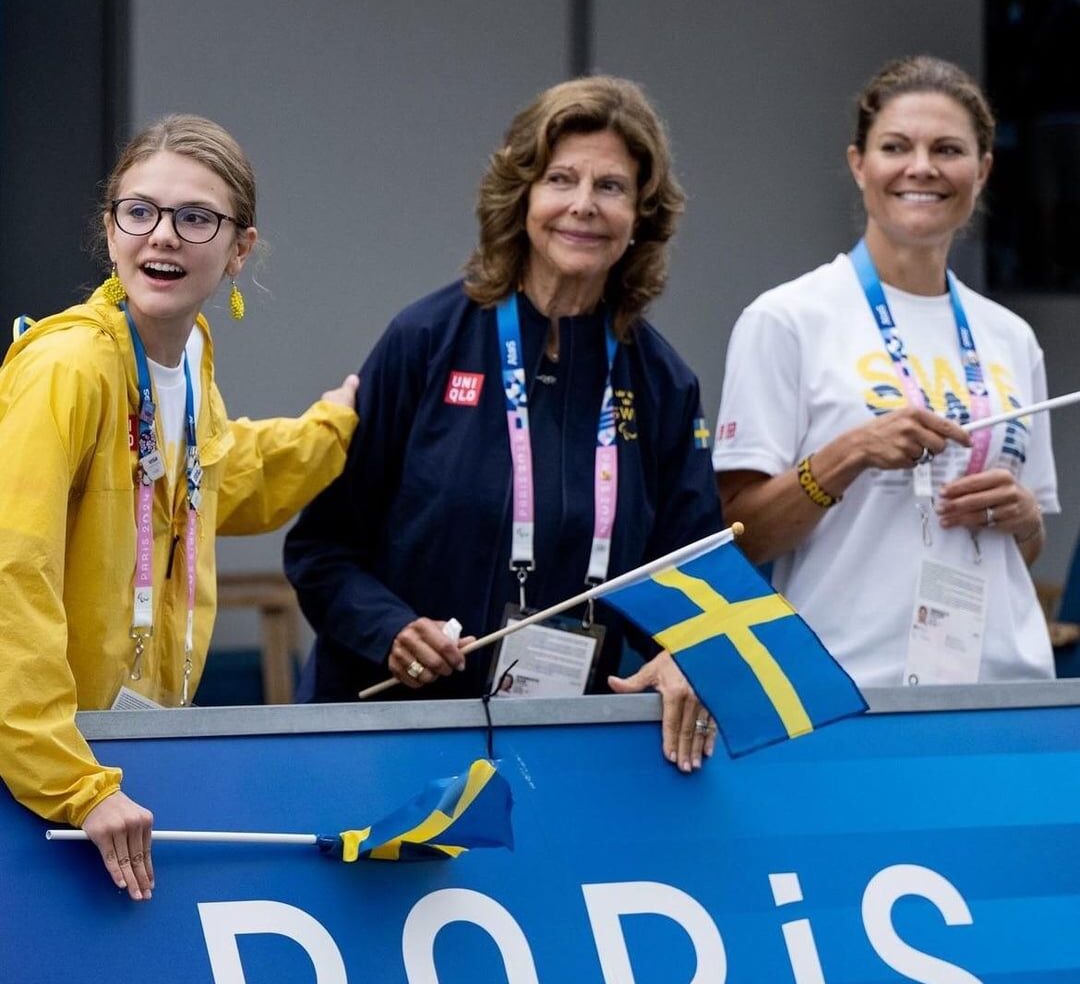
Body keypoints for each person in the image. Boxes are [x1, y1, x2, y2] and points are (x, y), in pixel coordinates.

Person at [285, 76, 723, 772]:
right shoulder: (425, 341)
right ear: (522, 196)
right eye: (560, 179)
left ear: (641, 215)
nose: (582, 205)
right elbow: (322, 550)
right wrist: (390, 629)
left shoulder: (663, 383)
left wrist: (684, 655)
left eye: (610, 187)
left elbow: (698, 579)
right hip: (392, 740)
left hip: (563, 752)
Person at [0, 115, 360, 900]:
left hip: (120, 772)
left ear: (240, 249)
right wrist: (72, 780)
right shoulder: (68, 368)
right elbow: (9, 577)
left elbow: (223, 481)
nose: (162, 238)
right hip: (42, 782)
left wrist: (338, 426)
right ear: (110, 228)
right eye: (140, 211)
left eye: (195, 218)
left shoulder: (188, 355)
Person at [713, 56, 1058, 688]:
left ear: (981, 170)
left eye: (948, 149)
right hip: (849, 689)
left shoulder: (1011, 338)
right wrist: (850, 454)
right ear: (859, 164)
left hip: (1008, 689)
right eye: (896, 147)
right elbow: (739, 539)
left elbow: (1024, 550)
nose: (921, 167)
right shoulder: (787, 319)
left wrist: (1027, 519)